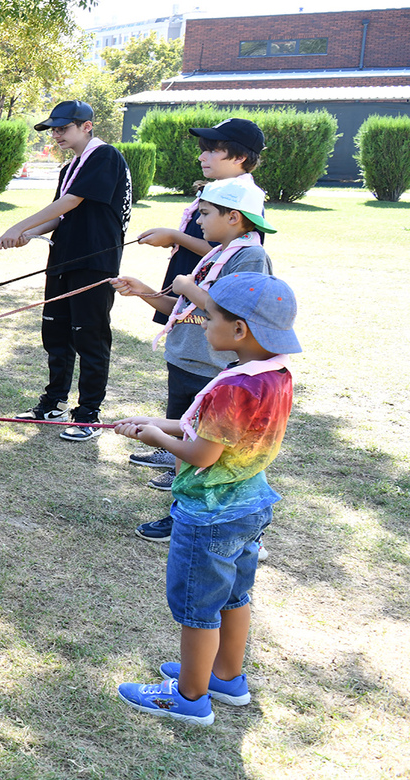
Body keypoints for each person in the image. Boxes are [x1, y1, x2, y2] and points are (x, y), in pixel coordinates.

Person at [112, 273, 299, 726]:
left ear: (239, 330)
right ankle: (226, 676)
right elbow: (213, 432)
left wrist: (157, 437)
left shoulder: (233, 387)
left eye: (208, 316)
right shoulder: (273, 373)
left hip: (209, 515)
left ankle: (190, 696)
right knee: (234, 595)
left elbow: (202, 453)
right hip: (249, 506)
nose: (202, 321)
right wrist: (155, 422)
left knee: (198, 607)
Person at [111, 120, 273, 546]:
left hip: (211, 365)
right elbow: (183, 311)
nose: (196, 222)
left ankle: (205, 521)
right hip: (185, 356)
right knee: (186, 438)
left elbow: (231, 314)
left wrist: (186, 284)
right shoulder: (212, 257)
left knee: (205, 451)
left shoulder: (249, 258)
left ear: (233, 217)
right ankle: (180, 513)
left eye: (203, 214)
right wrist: (145, 292)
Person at [0, 100, 132, 440]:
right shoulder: (69, 167)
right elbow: (61, 215)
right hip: (62, 260)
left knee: (90, 338)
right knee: (56, 335)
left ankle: (88, 414)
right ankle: (54, 402)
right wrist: (29, 234)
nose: (56, 134)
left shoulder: (105, 156)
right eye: (53, 129)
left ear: (87, 126)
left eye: (63, 128)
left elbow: (72, 201)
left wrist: (19, 225)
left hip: (93, 263)